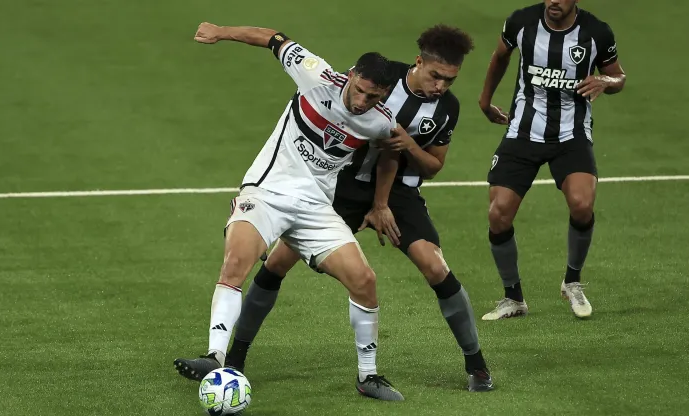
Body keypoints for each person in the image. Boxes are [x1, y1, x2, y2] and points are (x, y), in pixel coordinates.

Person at [224, 25, 494, 393]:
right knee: (276, 263)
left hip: (399, 192)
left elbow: (432, 167)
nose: (441, 87)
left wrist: (407, 152)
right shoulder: (380, 77)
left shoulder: (448, 109)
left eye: (450, 80)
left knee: (435, 266)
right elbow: (338, 103)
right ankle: (234, 360)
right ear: (419, 62)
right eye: (436, 76)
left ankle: (476, 365)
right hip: (343, 185)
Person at [173, 22, 406, 401]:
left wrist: (380, 203)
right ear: (351, 76)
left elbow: (388, 156)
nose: (361, 101)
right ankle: (215, 356)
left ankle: (368, 377)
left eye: (372, 96)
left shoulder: (381, 121)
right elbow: (272, 38)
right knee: (236, 260)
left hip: (315, 208)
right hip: (267, 192)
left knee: (364, 280)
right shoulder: (315, 73)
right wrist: (220, 31)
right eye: (359, 90)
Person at [478, 0, 626, 320]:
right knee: (498, 213)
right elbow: (500, 56)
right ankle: (513, 298)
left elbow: (619, 77)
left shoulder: (596, 32)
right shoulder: (521, 22)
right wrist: (485, 100)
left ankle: (572, 281)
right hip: (523, 131)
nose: (553, 1)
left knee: (582, 205)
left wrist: (606, 81)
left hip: (571, 135)